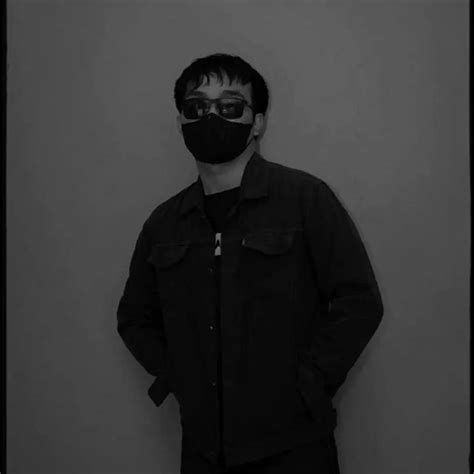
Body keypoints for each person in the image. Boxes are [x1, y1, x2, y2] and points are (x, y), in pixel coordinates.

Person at [116, 53, 384, 474]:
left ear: (257, 122)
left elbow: (359, 301)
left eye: (229, 106)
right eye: (196, 107)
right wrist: (181, 377)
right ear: (180, 122)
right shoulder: (164, 223)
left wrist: (308, 383)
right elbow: (135, 319)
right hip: (203, 451)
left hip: (295, 446)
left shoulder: (305, 199)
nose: (211, 117)